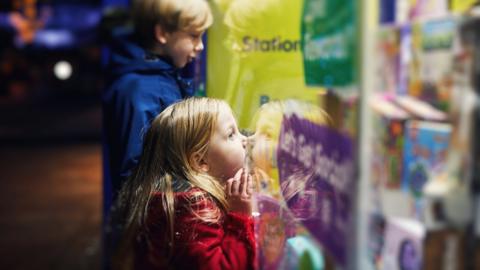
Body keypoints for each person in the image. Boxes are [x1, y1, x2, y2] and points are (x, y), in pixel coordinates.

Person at [111, 97, 256, 270]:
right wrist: (239, 218)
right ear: (201, 161)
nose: (244, 140)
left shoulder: (176, 199)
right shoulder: (191, 208)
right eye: (231, 134)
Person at [102, 0, 213, 211]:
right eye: (193, 35)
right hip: (156, 224)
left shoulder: (163, 78)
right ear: (162, 33)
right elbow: (137, 178)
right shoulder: (138, 91)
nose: (200, 46)